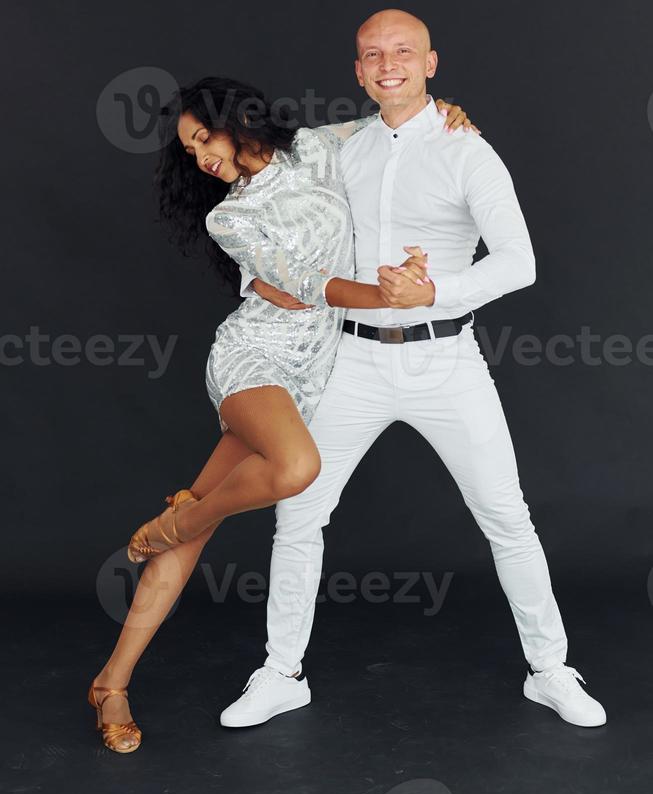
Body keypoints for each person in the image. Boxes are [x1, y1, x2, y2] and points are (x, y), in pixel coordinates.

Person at [219, 9, 607, 731]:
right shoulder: (331, 147)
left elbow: (519, 263)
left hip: (445, 358)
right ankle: (281, 673)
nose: (386, 63)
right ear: (358, 70)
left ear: (431, 63)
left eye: (402, 52)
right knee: (298, 514)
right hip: (350, 358)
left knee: (505, 516)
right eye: (372, 54)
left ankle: (550, 670)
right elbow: (258, 174)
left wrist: (436, 293)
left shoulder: (468, 151)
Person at [87, 74, 474, 753]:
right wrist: (393, 301)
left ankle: (111, 682)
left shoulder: (316, 149)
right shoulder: (227, 216)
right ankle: (179, 519)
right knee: (294, 467)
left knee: (193, 529)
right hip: (254, 357)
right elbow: (310, 286)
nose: (200, 157)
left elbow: (388, 121)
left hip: (312, 369)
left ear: (233, 119)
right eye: (189, 151)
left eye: (202, 137)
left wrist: (443, 113)